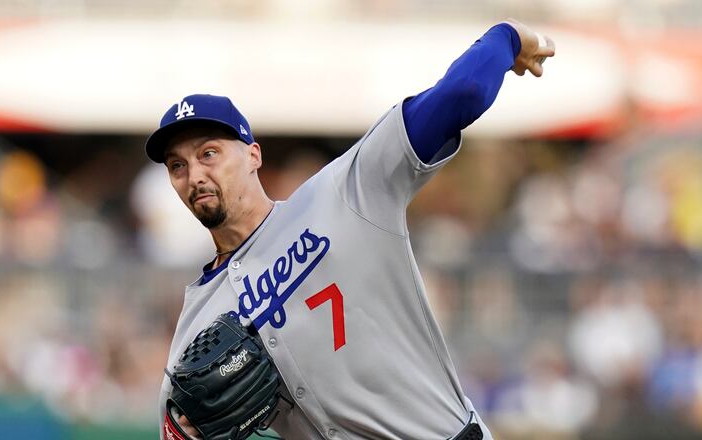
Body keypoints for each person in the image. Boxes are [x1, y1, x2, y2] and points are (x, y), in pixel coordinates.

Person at [146, 19, 555, 440]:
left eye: (208, 153)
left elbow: (460, 94)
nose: (194, 174)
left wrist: (507, 37)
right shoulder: (196, 326)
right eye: (177, 165)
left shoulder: (343, 194)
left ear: (253, 155)